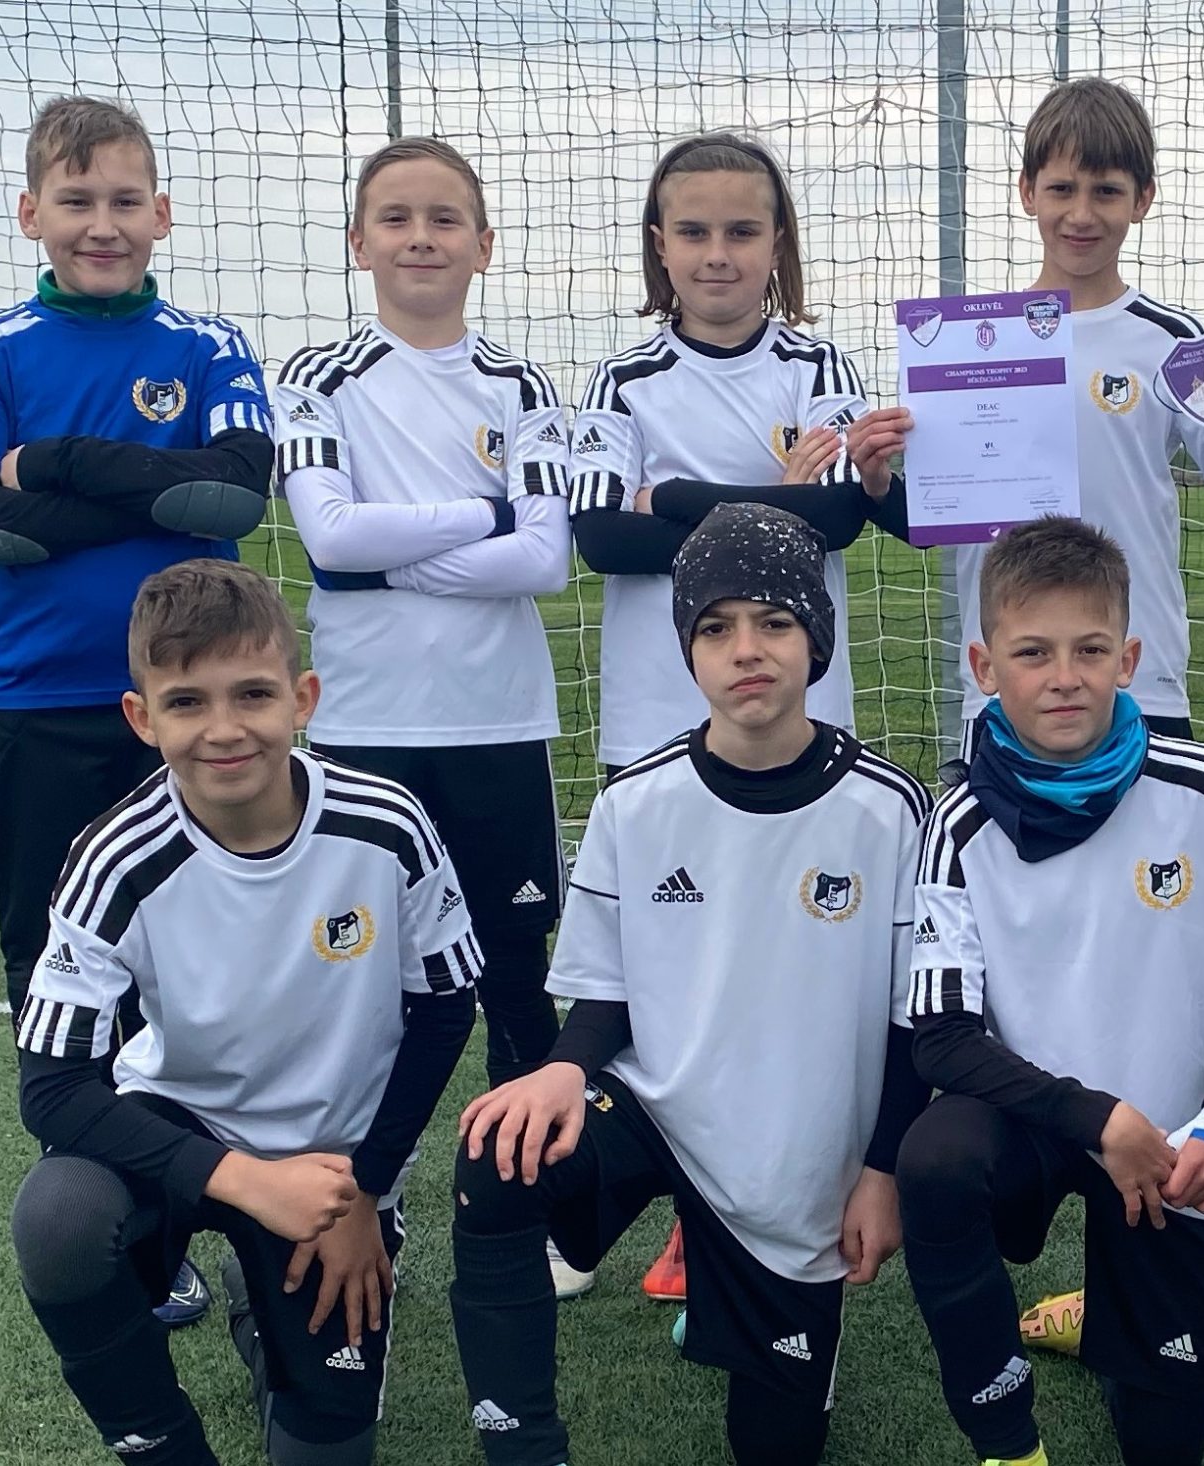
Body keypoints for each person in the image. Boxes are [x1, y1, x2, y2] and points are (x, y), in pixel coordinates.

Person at [847, 73, 1204, 1323]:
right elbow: (928, 516)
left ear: (1141, 198)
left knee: (1170, 955)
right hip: (1007, 701)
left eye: (1107, 188)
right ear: (1027, 192)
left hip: (1136, 691)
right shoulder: (969, 345)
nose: (1082, 210)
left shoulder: (1173, 344)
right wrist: (880, 480)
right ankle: (1007, 1172)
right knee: (1015, 957)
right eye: (1061, 186)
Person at [446, 503, 933, 1466]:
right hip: (655, 1107)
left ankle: (745, 1295)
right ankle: (523, 1446)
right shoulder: (636, 801)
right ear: (688, 650)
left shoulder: (889, 811)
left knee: (776, 1445)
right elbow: (605, 989)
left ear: (816, 640)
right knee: (496, 1156)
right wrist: (560, 1069)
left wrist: (881, 1172)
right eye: (715, 628)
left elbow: (911, 1024)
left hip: (793, 1156)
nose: (745, 649)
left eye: (774, 622)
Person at [0, 92, 276, 1327]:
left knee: (217, 971)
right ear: (31, 213)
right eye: (76, 201)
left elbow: (232, 502)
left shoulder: (209, 344)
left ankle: (252, 1219)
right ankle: (120, 1228)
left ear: (162, 212)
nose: (102, 223)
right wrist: (148, 493)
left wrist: (56, 463)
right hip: (44, 711)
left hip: (196, 718)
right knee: (60, 973)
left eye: (125, 199)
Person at [9, 559, 477, 1465]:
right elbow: (52, 1088)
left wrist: (366, 1188)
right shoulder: (113, 858)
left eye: (253, 695)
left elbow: (445, 1009)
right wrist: (244, 1180)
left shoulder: (388, 824)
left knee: (325, 1448)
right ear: (142, 718)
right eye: (186, 702)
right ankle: (165, 1446)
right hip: (183, 1127)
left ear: (302, 700)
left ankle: (263, 1314)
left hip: (337, 1163)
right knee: (59, 1217)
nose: (224, 730)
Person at [567, 130, 903, 1303]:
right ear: (659, 246)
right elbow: (601, 535)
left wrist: (677, 494)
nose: (718, 253)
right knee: (676, 983)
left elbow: (844, 518)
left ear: (777, 244)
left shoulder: (818, 366)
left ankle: (787, 1186)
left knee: (789, 974)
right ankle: (685, 1210)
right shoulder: (621, 380)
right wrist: (775, 502)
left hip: (799, 736)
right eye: (694, 231)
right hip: (656, 728)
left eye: (742, 230)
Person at [895, 516, 1204, 1466]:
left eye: (1088, 650)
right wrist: (1095, 1118)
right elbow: (942, 1038)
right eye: (1032, 653)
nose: (1064, 677)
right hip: (1036, 1124)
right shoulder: (958, 821)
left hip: (1171, 1146)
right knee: (935, 1162)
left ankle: (1113, 1311)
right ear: (984, 667)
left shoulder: (1201, 787)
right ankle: (1008, 1441)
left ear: (1129, 659)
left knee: (1164, 1444)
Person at [268, 137, 571, 1091]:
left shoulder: (523, 386)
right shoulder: (316, 377)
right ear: (359, 243)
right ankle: (363, 1172)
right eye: (395, 219)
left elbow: (545, 559)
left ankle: (527, 1174)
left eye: (445, 219)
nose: (421, 237)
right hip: (366, 725)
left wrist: (390, 560)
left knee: (515, 975)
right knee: (361, 972)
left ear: (484, 244)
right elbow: (332, 539)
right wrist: (486, 514)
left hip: (497, 721)